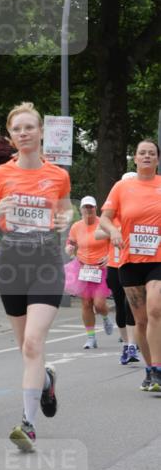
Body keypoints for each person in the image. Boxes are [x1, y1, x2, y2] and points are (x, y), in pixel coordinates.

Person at [0, 102, 73, 452]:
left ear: (41, 131)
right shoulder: (0, 175)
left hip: (46, 262)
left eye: (29, 127)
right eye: (17, 129)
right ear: (10, 137)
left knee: (33, 343)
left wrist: (66, 221)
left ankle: (27, 424)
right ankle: (46, 379)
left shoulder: (58, 175)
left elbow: (64, 211)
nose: (23, 133)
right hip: (11, 262)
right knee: (24, 348)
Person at [99, 139, 161, 392]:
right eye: (142, 153)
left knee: (156, 309)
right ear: (134, 158)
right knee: (142, 320)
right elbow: (104, 218)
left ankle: (158, 368)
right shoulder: (122, 187)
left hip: (158, 258)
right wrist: (113, 231)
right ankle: (150, 370)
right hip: (129, 261)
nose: (146, 156)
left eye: (152, 153)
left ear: (157, 159)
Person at [95, 172, 139, 364]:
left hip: (136, 263)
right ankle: (126, 344)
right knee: (121, 305)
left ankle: (133, 344)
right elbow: (97, 234)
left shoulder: (140, 211)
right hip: (115, 264)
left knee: (134, 305)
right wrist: (115, 232)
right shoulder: (113, 214)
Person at [64, 196, 113, 348]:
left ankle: (105, 317)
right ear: (81, 210)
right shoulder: (76, 226)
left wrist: (109, 256)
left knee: (98, 304)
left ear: (96, 208)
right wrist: (69, 249)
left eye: (91, 207)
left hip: (101, 268)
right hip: (83, 267)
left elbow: (115, 241)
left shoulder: (103, 224)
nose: (88, 210)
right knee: (86, 303)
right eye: (85, 207)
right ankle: (91, 338)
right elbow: (70, 243)